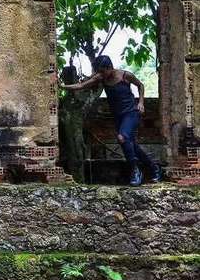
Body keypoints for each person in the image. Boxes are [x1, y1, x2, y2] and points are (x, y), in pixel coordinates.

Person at [60, 55, 162, 186]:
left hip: (131, 113)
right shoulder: (101, 77)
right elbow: (81, 85)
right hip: (118, 116)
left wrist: (141, 102)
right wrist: (63, 87)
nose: (101, 74)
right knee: (131, 145)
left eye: (103, 71)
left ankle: (136, 171)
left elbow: (140, 85)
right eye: (99, 72)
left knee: (122, 137)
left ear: (110, 67)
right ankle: (154, 168)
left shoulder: (125, 75)